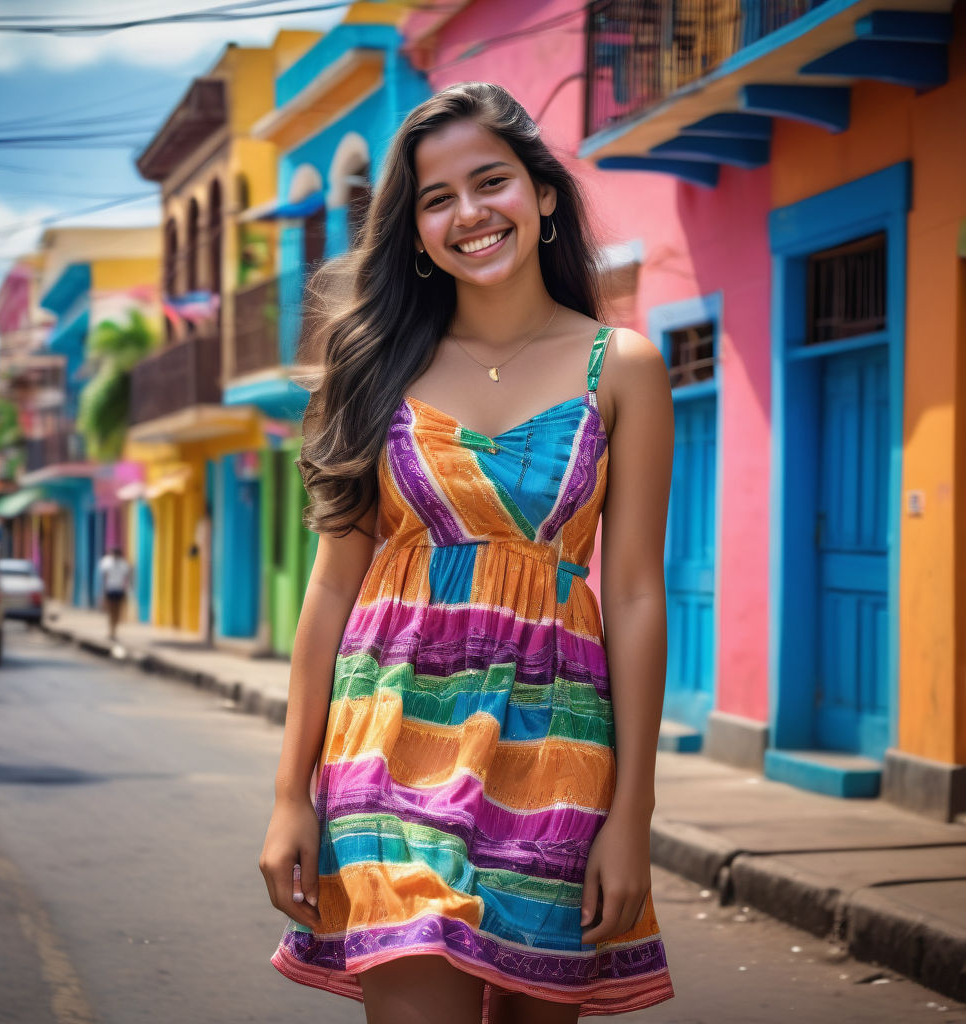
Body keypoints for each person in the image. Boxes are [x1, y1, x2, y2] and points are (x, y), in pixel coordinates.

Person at [259, 82, 676, 1022]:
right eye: (435, 199)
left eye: (489, 182)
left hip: (559, 755)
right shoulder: (372, 369)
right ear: (411, 232)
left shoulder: (626, 367)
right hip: (387, 750)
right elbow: (330, 591)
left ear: (544, 194)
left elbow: (638, 596)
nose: (468, 214)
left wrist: (632, 816)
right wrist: (291, 795)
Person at [97, 546, 131, 642]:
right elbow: (104, 577)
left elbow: (127, 577)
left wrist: (126, 590)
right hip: (110, 589)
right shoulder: (107, 562)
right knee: (111, 611)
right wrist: (104, 590)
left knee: (117, 611)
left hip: (119, 590)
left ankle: (113, 631)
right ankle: (111, 631)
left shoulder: (123, 564)